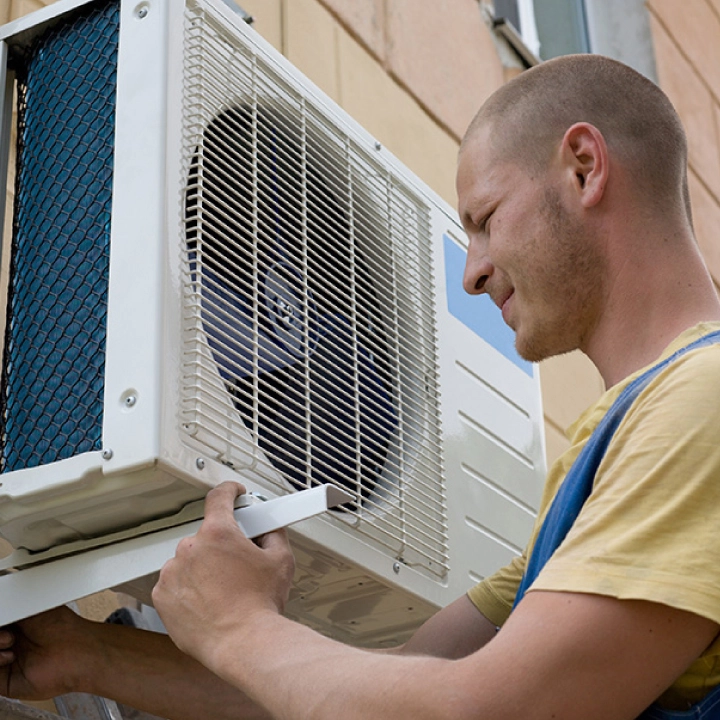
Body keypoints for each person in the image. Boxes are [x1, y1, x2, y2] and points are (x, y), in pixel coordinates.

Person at [3, 52, 720, 720]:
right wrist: (89, 655)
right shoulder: (616, 450)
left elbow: (495, 707)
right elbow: (383, 686)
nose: (470, 274)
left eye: (486, 220)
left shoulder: (702, 400)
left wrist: (237, 628)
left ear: (585, 168)